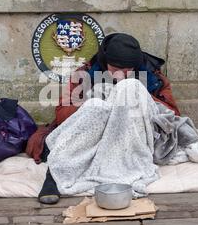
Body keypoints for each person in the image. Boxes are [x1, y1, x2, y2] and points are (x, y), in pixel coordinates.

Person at [26, 33, 180, 204]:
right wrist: (100, 101)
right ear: (105, 63)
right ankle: (54, 175)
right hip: (95, 133)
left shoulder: (152, 77)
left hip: (133, 134)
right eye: (115, 70)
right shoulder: (85, 74)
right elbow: (62, 113)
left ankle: (121, 169)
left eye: (126, 71)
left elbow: (171, 114)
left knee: (130, 87)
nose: (120, 75)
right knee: (96, 107)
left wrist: (133, 97)